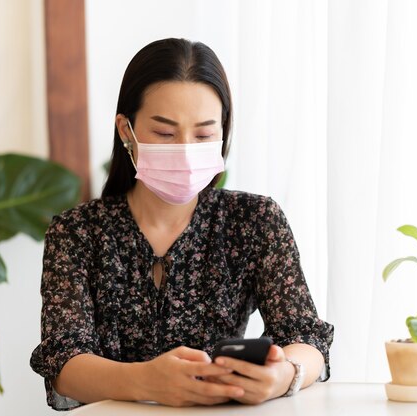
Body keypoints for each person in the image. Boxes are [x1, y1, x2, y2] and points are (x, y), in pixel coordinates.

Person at [30, 38, 333, 411]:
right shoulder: (77, 232)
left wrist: (283, 375)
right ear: (127, 131)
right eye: (164, 133)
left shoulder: (255, 221)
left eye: (204, 134)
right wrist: (146, 381)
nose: (186, 149)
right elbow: (63, 362)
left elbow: (307, 337)